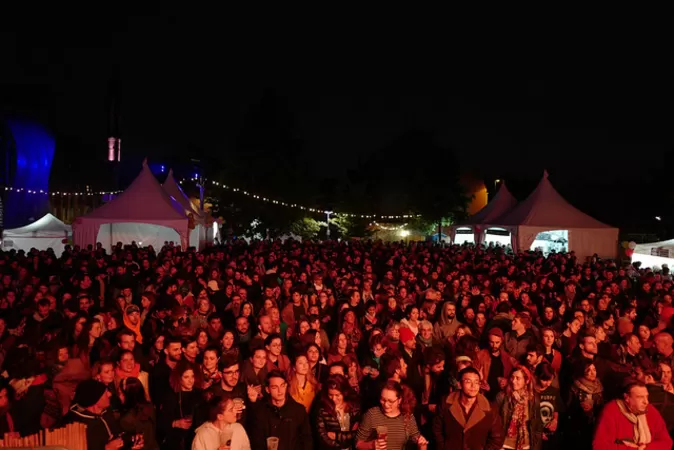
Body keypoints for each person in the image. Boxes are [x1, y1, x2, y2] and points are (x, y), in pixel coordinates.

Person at [433, 366, 504, 450]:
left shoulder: (490, 409)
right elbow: (437, 430)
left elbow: (497, 439)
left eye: (476, 382)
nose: (473, 386)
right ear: (459, 384)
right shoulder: (446, 403)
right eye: (468, 381)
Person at [64, 379, 144, 450]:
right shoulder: (75, 425)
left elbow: (116, 435)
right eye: (105, 393)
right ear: (95, 400)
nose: (110, 394)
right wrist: (107, 448)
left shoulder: (106, 412)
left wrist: (131, 440)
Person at [594, 379, 673, 450]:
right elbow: (600, 446)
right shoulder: (611, 411)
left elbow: (667, 442)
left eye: (647, 397)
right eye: (640, 397)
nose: (646, 402)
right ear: (627, 398)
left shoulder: (650, 410)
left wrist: (645, 448)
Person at [249, 370, 313, 450]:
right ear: (267, 390)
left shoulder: (298, 410)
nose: (280, 391)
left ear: (286, 386)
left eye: (282, 386)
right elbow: (256, 442)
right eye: (274, 387)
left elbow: (307, 440)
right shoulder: (260, 411)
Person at [356, 380, 428, 450]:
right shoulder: (372, 414)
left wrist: (422, 444)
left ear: (399, 400)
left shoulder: (407, 416)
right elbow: (357, 444)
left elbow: (418, 441)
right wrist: (371, 445)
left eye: (391, 401)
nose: (386, 405)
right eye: (383, 399)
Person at [316, 375, 361, 450]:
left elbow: (358, 434)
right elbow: (322, 436)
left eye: (337, 395)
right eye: (330, 395)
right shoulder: (322, 410)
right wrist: (340, 447)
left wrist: (336, 436)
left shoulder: (354, 408)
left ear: (344, 393)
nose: (333, 399)